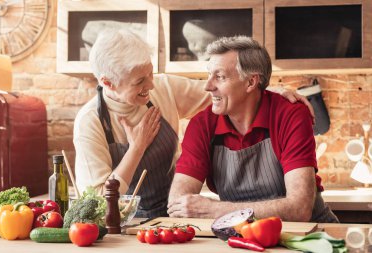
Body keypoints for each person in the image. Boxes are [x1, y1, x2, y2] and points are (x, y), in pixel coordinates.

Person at [73, 29, 314, 218]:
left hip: (167, 217)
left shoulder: (165, 88)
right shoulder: (90, 122)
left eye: (150, 73)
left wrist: (269, 89)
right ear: (108, 82)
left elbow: (227, 93)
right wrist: (136, 148)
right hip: (123, 222)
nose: (151, 84)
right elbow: (97, 203)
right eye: (139, 81)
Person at [167, 35, 338, 223]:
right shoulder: (202, 124)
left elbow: (299, 209)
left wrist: (214, 209)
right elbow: (177, 204)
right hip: (240, 235)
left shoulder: (291, 115)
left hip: (310, 235)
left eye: (220, 77)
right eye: (209, 75)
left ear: (250, 82)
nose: (208, 86)